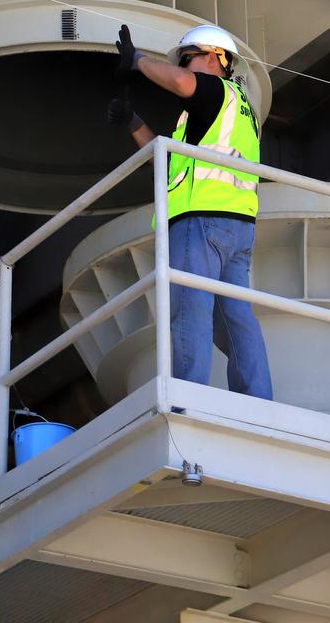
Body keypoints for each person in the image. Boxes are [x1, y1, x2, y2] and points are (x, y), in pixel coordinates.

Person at [109, 22, 272, 399]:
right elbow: (170, 164)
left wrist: (137, 61)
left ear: (217, 58)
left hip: (201, 222)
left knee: (190, 310)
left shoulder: (216, 91)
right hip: (237, 227)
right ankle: (259, 400)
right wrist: (134, 123)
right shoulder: (233, 112)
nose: (183, 67)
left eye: (188, 58)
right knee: (237, 320)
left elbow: (182, 85)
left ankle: (188, 399)